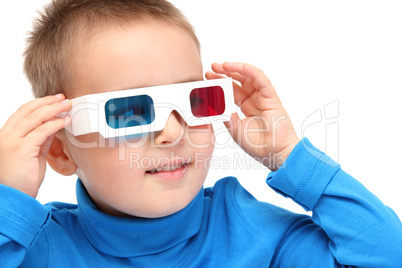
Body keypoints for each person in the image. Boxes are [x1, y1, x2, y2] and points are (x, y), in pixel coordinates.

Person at [0, 0, 401, 266]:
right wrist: (8, 199)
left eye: (195, 99)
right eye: (129, 112)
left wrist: (289, 156)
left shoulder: (255, 235)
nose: (174, 132)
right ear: (60, 151)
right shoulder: (30, 247)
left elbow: (386, 255)